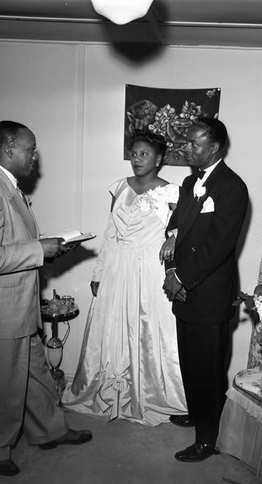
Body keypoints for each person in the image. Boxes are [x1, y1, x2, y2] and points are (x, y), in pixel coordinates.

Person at [0, 121, 92, 477]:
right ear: (9, 150)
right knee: (2, 385)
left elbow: (10, 241)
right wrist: (37, 250)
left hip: (18, 306)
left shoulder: (7, 187)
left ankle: (50, 430)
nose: (35, 156)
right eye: (31, 149)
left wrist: (48, 246)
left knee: (35, 374)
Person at [62, 129, 187, 425]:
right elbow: (109, 233)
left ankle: (151, 393)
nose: (137, 159)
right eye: (134, 153)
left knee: (148, 327)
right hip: (117, 266)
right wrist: (99, 271)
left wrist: (174, 244)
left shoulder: (171, 192)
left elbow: (178, 231)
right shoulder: (119, 187)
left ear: (159, 158)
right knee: (111, 326)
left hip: (148, 269)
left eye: (144, 154)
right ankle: (104, 388)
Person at [161, 117, 248, 462]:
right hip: (184, 287)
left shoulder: (232, 187)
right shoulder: (188, 181)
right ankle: (198, 413)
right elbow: (175, 228)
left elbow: (218, 245)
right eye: (187, 142)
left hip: (209, 293)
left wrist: (181, 279)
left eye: (194, 144)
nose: (187, 148)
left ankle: (208, 438)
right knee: (190, 363)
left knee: (209, 369)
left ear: (214, 148)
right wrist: (171, 267)